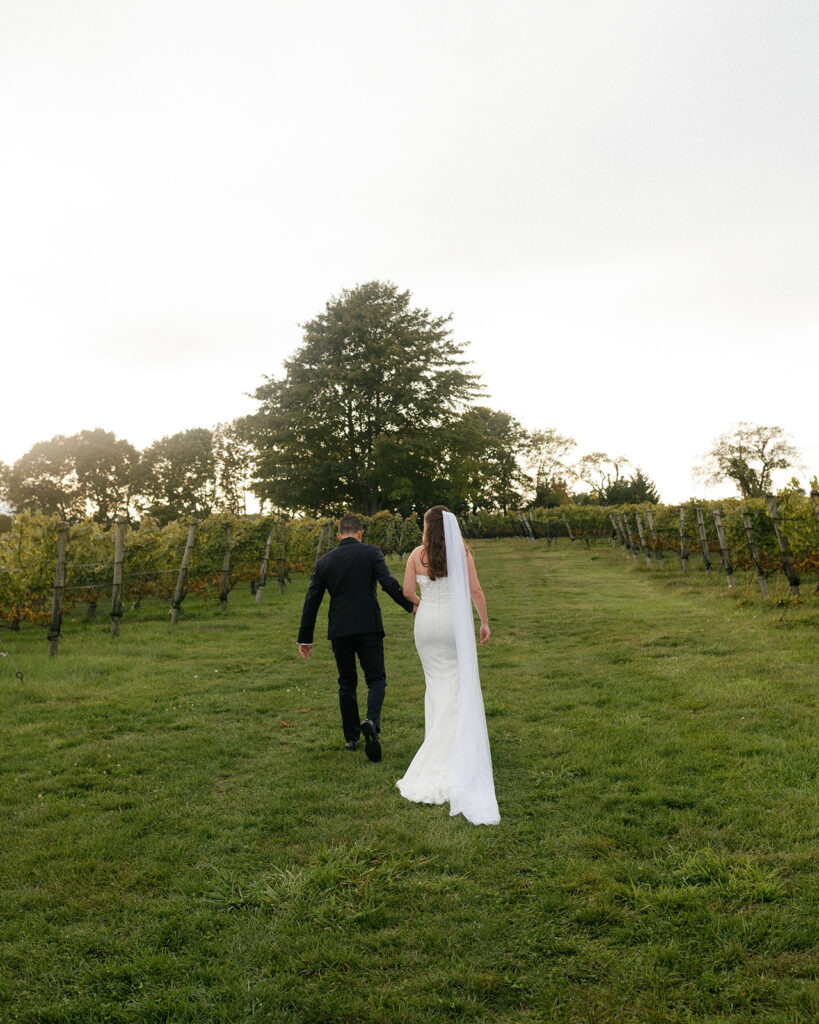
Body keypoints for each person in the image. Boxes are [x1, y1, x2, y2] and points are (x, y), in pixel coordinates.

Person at [396, 505, 500, 825]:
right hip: (454, 625)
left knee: (436, 685)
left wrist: (423, 603)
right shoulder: (461, 553)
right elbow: (475, 590)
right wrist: (484, 622)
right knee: (457, 683)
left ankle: (437, 745)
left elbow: (407, 592)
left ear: (427, 528)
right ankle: (454, 749)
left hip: (427, 625)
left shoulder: (416, 555)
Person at [297, 514, 419, 761]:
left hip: (340, 629)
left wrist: (305, 638)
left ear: (339, 535)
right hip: (368, 626)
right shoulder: (371, 553)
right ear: (360, 533)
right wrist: (411, 606)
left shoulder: (324, 562)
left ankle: (352, 738)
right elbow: (388, 583)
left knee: (347, 682)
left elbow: (312, 600)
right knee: (376, 679)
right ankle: (371, 722)